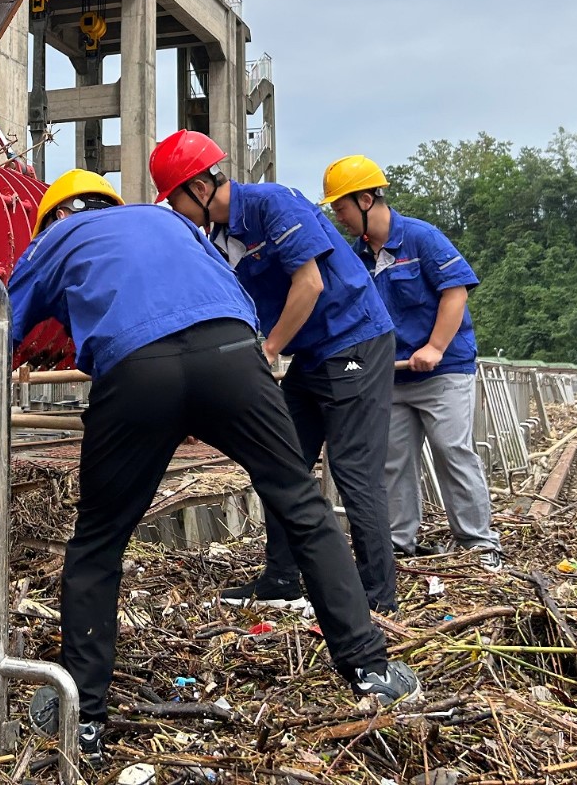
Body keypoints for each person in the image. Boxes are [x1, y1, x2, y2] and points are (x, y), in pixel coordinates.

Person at [0, 168, 420, 764]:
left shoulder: (54, 238)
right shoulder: (169, 221)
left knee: (98, 542)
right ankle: (370, 669)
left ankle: (85, 719)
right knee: (301, 502)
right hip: (231, 355)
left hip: (136, 370)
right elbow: (231, 295)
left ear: (55, 215)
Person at [149, 132, 399, 614]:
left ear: (199, 188)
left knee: (353, 471)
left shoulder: (273, 204)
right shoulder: (219, 239)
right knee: (279, 461)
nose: (175, 210)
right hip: (313, 354)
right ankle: (283, 578)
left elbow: (310, 283)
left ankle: (376, 598)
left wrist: (268, 350)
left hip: (355, 341)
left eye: (174, 199)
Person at [321, 155, 503, 571]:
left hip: (443, 371)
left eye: (342, 207)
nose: (339, 217)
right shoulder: (357, 257)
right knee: (393, 458)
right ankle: (398, 544)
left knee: (452, 450)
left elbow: (456, 292)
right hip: (391, 376)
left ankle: (478, 544)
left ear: (366, 200)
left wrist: (435, 347)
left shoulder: (422, 239)